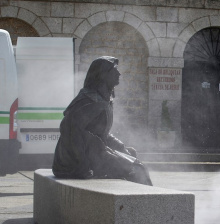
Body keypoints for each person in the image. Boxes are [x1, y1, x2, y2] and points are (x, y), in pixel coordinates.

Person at [52, 56, 152, 186]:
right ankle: (144, 205)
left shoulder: (101, 99)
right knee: (138, 170)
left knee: (133, 158)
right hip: (76, 161)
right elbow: (68, 128)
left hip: (93, 151)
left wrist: (120, 147)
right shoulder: (91, 100)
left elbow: (100, 132)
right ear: (103, 75)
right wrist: (82, 164)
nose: (119, 73)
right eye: (114, 69)